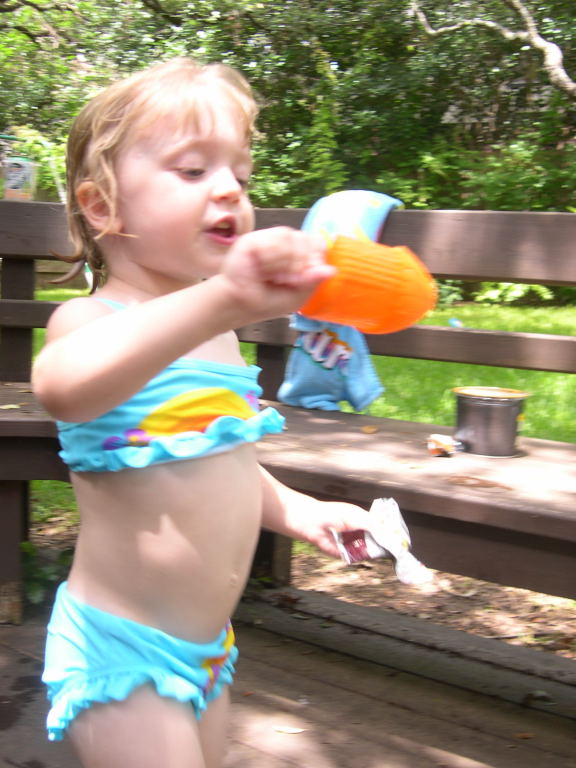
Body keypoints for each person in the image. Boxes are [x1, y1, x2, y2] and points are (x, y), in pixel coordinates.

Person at [32, 57, 373, 768]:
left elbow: (219, 457)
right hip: (122, 653)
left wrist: (301, 510)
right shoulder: (93, 321)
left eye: (240, 175)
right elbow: (63, 387)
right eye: (193, 171)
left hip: (209, 650)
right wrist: (222, 299)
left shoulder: (217, 335)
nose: (228, 190)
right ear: (103, 207)